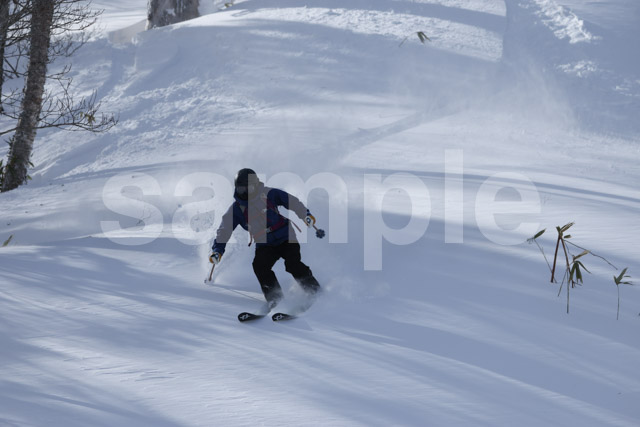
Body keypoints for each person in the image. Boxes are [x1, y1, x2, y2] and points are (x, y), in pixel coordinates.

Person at [209, 168, 321, 308]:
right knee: (260, 266)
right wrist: (218, 250)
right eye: (241, 189)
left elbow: (291, 202)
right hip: (264, 243)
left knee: (293, 264)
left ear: (255, 185)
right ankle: (275, 299)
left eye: (248, 189)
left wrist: (305, 215)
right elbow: (224, 229)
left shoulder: (269, 194)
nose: (244, 193)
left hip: (285, 236)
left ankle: (314, 291)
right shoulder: (237, 209)